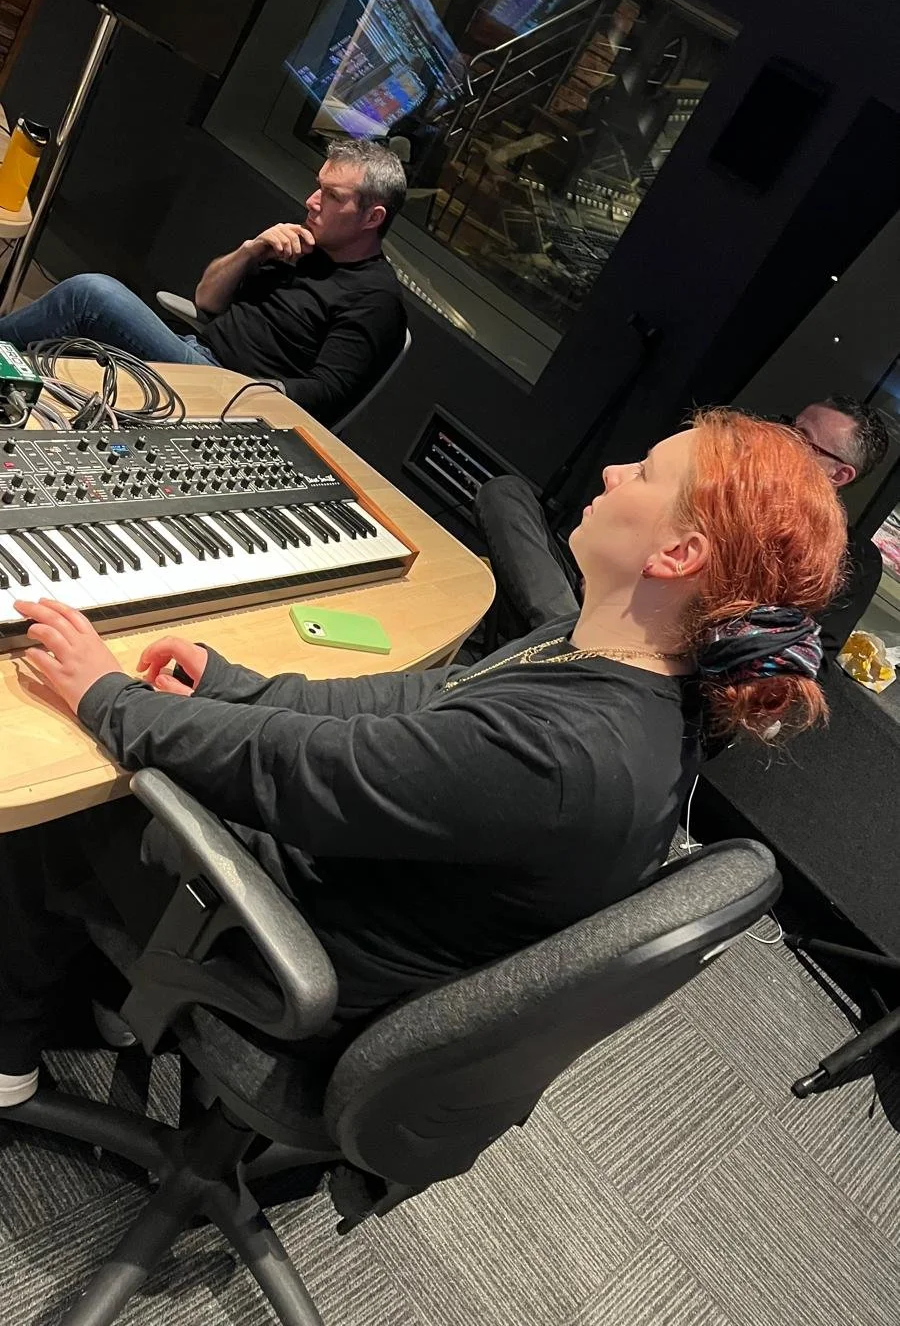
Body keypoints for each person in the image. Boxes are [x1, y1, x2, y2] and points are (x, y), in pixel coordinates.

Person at [0, 410, 846, 1106]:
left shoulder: (562, 753)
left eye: (647, 473)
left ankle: (10, 1054)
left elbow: (300, 774)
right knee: (144, 746)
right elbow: (413, 706)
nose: (614, 472)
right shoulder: (614, 647)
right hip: (369, 887)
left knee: (66, 789)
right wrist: (233, 684)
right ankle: (108, 998)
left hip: (299, 951)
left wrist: (109, 698)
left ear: (678, 555)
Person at [0, 140, 408, 429]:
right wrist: (251, 250)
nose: (311, 201)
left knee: (91, 295)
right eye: (318, 187)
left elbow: (327, 394)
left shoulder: (375, 299)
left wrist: (237, 389)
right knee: (62, 352)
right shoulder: (300, 245)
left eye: (331, 195)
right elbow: (205, 300)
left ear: (372, 217)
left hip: (228, 389)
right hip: (194, 349)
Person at [477, 394, 889, 657]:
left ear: (839, 475)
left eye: (800, 437)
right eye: (787, 425)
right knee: (505, 494)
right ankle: (565, 637)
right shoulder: (735, 483)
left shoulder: (840, 558)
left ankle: (569, 643)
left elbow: (803, 657)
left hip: (654, 646)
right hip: (600, 592)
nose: (781, 437)